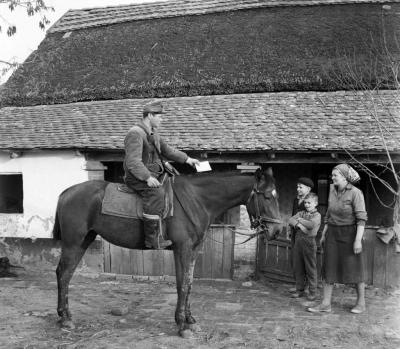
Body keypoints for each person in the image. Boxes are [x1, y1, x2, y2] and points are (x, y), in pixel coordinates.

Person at [123, 101, 200, 249]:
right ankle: (151, 239)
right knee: (157, 193)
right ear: (150, 115)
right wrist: (147, 178)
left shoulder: (153, 133)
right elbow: (133, 162)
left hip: (155, 173)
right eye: (159, 116)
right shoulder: (135, 133)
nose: (162, 119)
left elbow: (168, 150)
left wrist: (187, 159)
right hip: (137, 177)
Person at [308, 163, 367, 314]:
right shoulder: (332, 191)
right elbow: (329, 214)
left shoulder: (356, 193)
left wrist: (357, 240)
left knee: (355, 268)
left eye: (335, 175)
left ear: (345, 177)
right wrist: (324, 233)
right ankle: (325, 304)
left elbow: (361, 219)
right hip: (332, 234)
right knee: (329, 267)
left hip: (350, 234)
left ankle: (361, 303)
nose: (332, 177)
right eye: (332, 175)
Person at [288, 192, 321, 301]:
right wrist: (299, 225)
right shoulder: (301, 212)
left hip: (309, 243)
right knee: (299, 267)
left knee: (310, 268)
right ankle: (299, 290)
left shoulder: (317, 215)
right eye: (305, 202)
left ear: (315, 203)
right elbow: (290, 220)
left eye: (309, 203)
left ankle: (312, 292)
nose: (307, 205)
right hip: (298, 243)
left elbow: (311, 225)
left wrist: (300, 221)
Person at [289, 177, 314, 292]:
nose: (297, 189)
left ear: (308, 189)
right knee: (297, 260)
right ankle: (299, 286)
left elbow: (311, 221)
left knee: (307, 262)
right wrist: (292, 228)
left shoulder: (311, 202)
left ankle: (309, 287)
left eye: (300, 187)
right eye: (297, 186)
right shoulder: (296, 200)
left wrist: (298, 222)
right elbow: (292, 217)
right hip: (295, 233)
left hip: (306, 235)